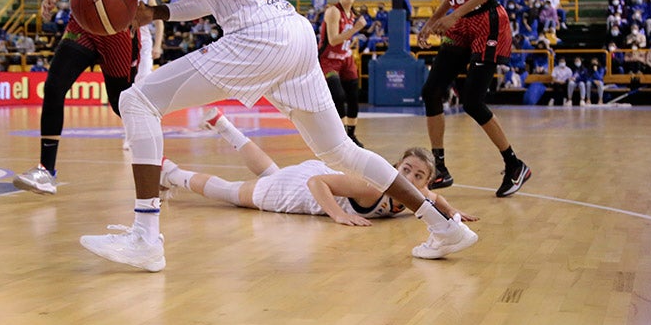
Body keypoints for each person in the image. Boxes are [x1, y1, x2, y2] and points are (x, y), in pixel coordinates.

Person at [74, 0, 479, 270]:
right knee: (341, 151)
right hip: (292, 34)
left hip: (260, 37)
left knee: (137, 101)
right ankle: (443, 225)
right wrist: (160, 11)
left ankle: (145, 236)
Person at [13, 0, 143, 195]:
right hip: (83, 25)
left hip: (113, 28)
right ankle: (46, 171)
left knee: (120, 102)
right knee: (55, 85)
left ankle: (158, 163)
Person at [160, 108, 477, 227]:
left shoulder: (418, 197)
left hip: (307, 176)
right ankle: (172, 173)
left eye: (418, 176)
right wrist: (339, 215)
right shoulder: (375, 187)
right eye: (405, 169)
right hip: (305, 188)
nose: (408, 178)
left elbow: (438, 201)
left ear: (426, 185)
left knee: (270, 174)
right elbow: (318, 185)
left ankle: (224, 125)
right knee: (233, 193)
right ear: (395, 167)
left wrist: (455, 214)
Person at [414, 0, 531, 196]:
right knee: (431, 91)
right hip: (462, 24)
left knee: (472, 101)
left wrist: (454, 15)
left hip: (488, 21)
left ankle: (515, 165)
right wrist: (432, 21)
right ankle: (440, 168)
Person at [319, 0, 367, 147]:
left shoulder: (352, 15)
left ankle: (351, 135)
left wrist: (352, 41)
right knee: (338, 95)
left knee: (354, 96)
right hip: (328, 60)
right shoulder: (333, 11)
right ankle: (340, 135)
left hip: (345, 59)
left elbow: (344, 39)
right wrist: (355, 30)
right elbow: (332, 40)